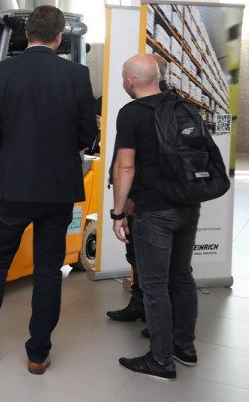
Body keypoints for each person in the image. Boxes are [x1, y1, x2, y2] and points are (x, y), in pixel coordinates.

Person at [0, 5, 98, 375]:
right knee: (49, 270)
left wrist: (12, 153)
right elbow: (88, 132)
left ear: (27, 33)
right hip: (58, 187)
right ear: (59, 36)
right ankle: (38, 354)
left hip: (13, 185)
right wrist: (60, 153)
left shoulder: (3, 72)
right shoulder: (77, 74)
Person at [111, 54, 199, 381]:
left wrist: (118, 212)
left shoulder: (132, 113)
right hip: (188, 205)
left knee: (154, 285)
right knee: (182, 276)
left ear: (130, 81)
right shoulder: (184, 107)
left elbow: (125, 166)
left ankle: (161, 360)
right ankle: (184, 347)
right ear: (158, 78)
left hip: (154, 210)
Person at [106, 53, 169, 325]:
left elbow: (131, 163)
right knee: (139, 257)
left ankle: (158, 324)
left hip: (146, 200)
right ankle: (141, 304)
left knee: (150, 262)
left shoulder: (141, 111)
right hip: (167, 200)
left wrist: (123, 203)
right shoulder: (176, 107)